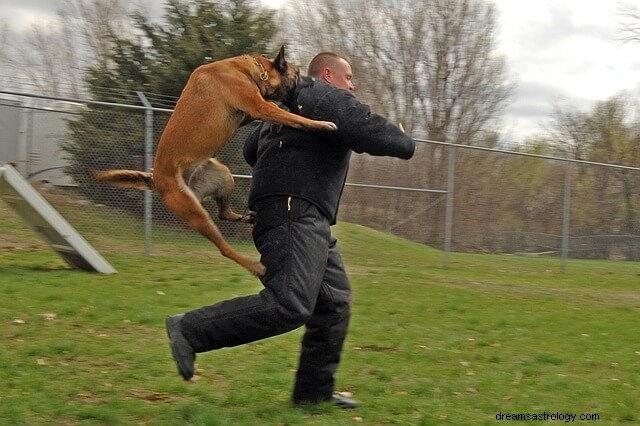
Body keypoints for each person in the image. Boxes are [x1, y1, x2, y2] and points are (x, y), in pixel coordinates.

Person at [165, 52, 416, 409]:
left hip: (299, 213)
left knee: (334, 302)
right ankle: (191, 329)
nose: (352, 85)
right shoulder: (325, 96)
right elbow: (367, 128)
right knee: (290, 303)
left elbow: (253, 149)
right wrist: (404, 141)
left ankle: (313, 395)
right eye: (349, 77)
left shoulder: (287, 107)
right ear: (328, 74)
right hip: (293, 211)